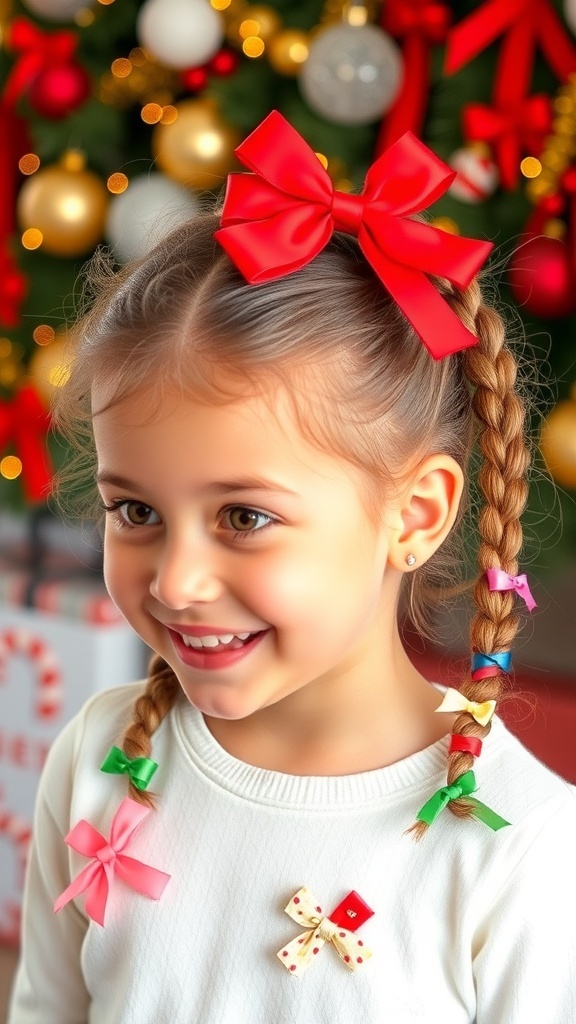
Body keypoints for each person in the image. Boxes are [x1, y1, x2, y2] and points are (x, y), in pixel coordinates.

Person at [8, 112, 576, 1024]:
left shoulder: (520, 848)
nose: (176, 582)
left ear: (413, 515)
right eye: (136, 512)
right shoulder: (100, 756)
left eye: (245, 517)